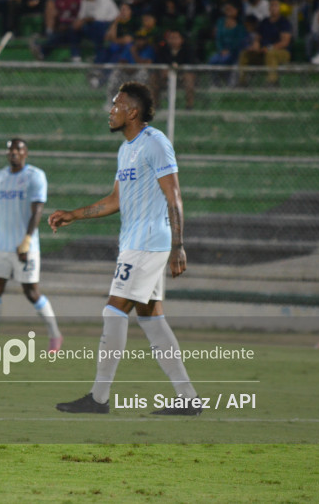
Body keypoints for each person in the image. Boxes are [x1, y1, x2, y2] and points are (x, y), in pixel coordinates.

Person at [50, 81, 201, 416]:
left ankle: (99, 398)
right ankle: (188, 398)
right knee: (151, 319)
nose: (111, 110)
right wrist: (74, 214)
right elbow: (116, 200)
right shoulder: (126, 150)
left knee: (114, 310)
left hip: (148, 243)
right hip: (136, 242)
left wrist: (179, 245)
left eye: (116, 104)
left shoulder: (155, 143)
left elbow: (174, 195)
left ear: (132, 111)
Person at [0, 138, 62, 353]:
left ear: (26, 153)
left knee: (31, 292)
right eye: (11, 149)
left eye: (18, 149)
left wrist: (27, 240)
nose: (14, 152)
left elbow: (37, 210)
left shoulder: (35, 176)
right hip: (0, 246)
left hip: (25, 246)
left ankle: (55, 335)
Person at [237, 0, 291, 86]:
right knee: (245, 54)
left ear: (279, 8)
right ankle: (242, 82)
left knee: (270, 54)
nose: (273, 8)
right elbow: (257, 38)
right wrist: (255, 46)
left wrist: (269, 48)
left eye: (275, 5)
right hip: (263, 52)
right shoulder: (264, 22)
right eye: (271, 5)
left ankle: (272, 82)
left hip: (282, 53)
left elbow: (285, 42)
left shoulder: (284, 22)